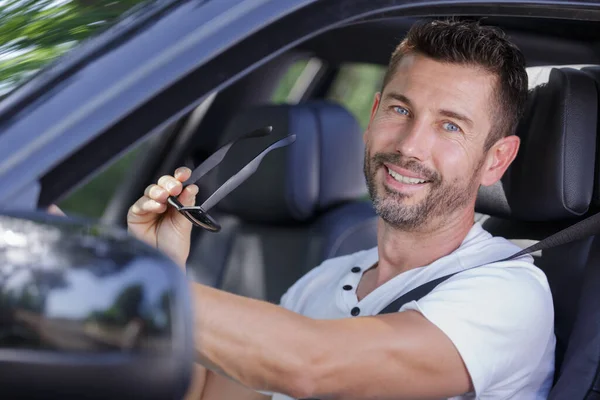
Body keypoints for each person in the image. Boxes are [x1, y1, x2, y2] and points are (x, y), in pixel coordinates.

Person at [126, 19, 555, 400]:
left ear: (496, 159)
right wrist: (162, 266)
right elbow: (210, 393)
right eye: (400, 109)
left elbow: (310, 366)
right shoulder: (323, 281)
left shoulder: (510, 294)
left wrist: (139, 282)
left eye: (450, 126)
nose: (409, 146)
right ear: (372, 117)